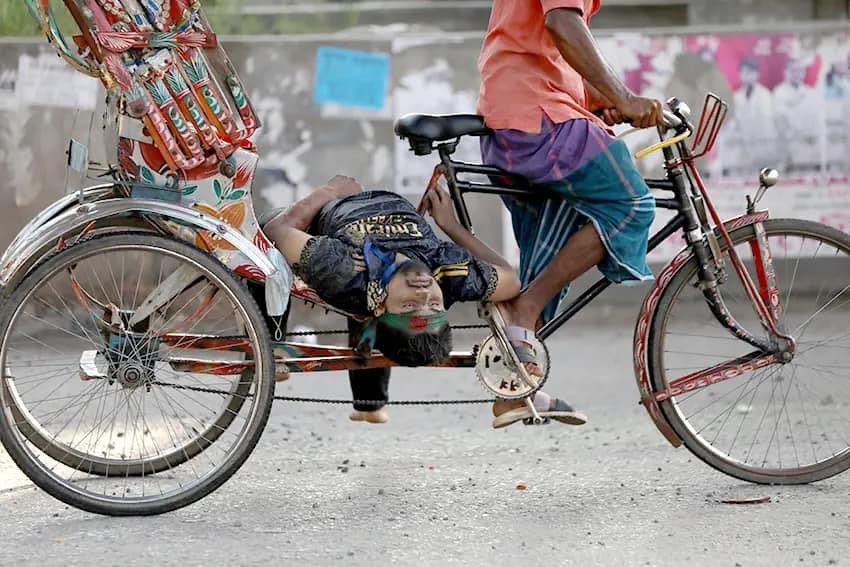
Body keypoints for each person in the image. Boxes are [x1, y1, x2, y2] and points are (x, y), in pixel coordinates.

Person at [264, 175, 585, 427]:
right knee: (384, 296)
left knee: (261, 247)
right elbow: (510, 279)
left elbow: (277, 230)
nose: (423, 294)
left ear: (380, 306)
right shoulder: (448, 273)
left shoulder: (343, 267)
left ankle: (269, 342)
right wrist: (451, 226)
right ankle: (370, 405)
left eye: (409, 306)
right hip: (379, 248)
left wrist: (330, 191)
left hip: (332, 211)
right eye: (434, 306)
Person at [476, 1, 664, 421]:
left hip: (516, 118)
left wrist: (603, 99)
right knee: (632, 203)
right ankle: (525, 309)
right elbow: (562, 22)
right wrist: (625, 98)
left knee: (556, 239)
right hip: (538, 116)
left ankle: (515, 381)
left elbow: (546, 51)